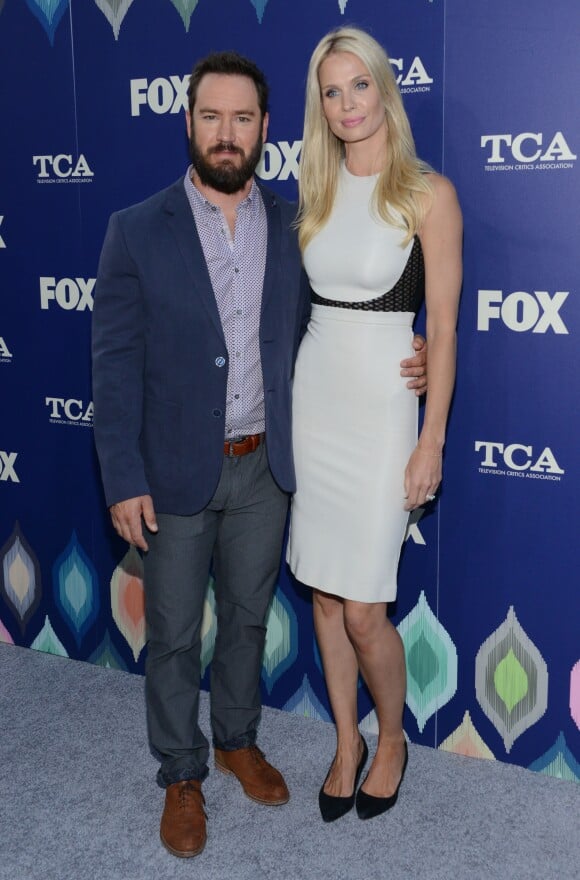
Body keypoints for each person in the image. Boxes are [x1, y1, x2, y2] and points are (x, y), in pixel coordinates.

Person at [92, 51, 428, 858]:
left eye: (244, 118)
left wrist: (409, 346)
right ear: (189, 122)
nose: (227, 132)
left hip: (267, 465)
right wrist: (123, 477)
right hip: (172, 470)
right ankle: (182, 771)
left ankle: (238, 741)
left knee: (246, 620)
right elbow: (112, 363)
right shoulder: (135, 230)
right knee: (174, 633)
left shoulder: (295, 224)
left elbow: (355, 301)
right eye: (212, 116)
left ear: (265, 129)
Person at [287, 27, 462, 822]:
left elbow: (446, 330)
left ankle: (391, 739)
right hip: (315, 399)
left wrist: (432, 439)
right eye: (332, 91)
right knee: (324, 594)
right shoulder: (312, 185)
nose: (347, 103)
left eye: (360, 85)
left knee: (365, 608)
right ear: (319, 106)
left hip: (387, 409)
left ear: (384, 89)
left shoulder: (428, 191)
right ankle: (346, 743)